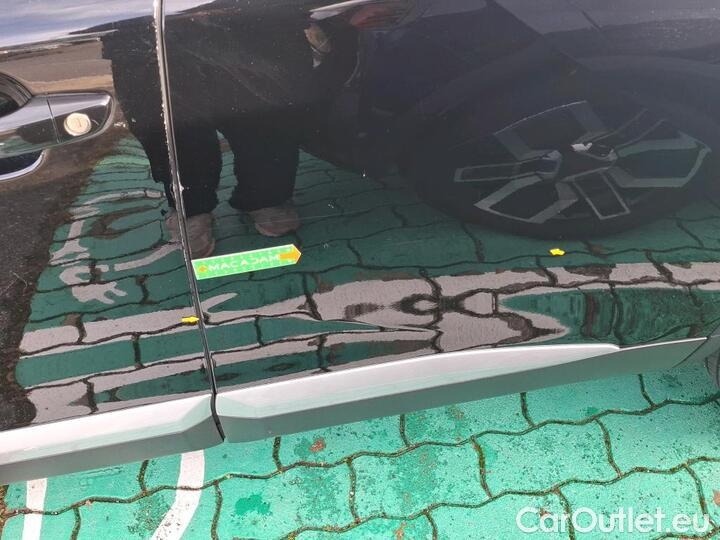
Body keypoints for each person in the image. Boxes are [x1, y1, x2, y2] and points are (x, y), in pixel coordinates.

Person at [104, 1, 320, 257]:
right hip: (149, 26)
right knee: (171, 124)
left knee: (267, 114)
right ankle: (191, 209)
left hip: (252, 19)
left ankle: (267, 196)